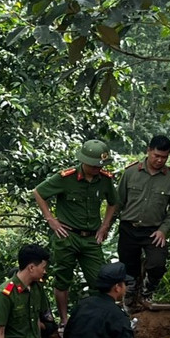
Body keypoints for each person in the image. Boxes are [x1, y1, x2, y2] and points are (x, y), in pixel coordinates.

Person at [33, 139, 118, 327]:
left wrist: (105, 226)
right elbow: (38, 192)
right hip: (67, 236)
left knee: (99, 280)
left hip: (91, 239)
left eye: (101, 166)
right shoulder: (66, 178)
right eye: (94, 165)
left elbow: (114, 202)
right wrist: (51, 219)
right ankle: (64, 321)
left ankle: (98, 320)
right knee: (63, 280)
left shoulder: (105, 180)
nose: (98, 169)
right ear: (84, 161)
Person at [116, 135, 170, 307]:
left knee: (157, 264)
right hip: (129, 227)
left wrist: (164, 230)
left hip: (154, 230)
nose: (160, 160)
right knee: (128, 266)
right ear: (148, 151)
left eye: (164, 157)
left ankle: (147, 289)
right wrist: (106, 226)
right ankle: (131, 294)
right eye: (156, 156)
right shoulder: (131, 173)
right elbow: (118, 202)